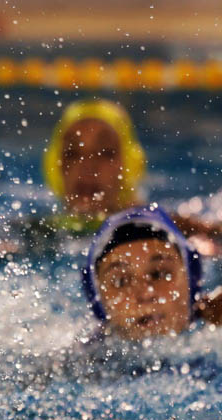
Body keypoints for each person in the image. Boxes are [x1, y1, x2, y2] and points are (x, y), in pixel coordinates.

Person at [43, 99, 222, 246]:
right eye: (72, 153)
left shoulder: (162, 227)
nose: (88, 166)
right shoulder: (40, 233)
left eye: (106, 153)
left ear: (129, 165)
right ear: (56, 166)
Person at [83, 205, 222, 340]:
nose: (145, 294)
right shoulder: (84, 354)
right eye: (121, 281)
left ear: (191, 280)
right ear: (98, 300)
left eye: (160, 274)